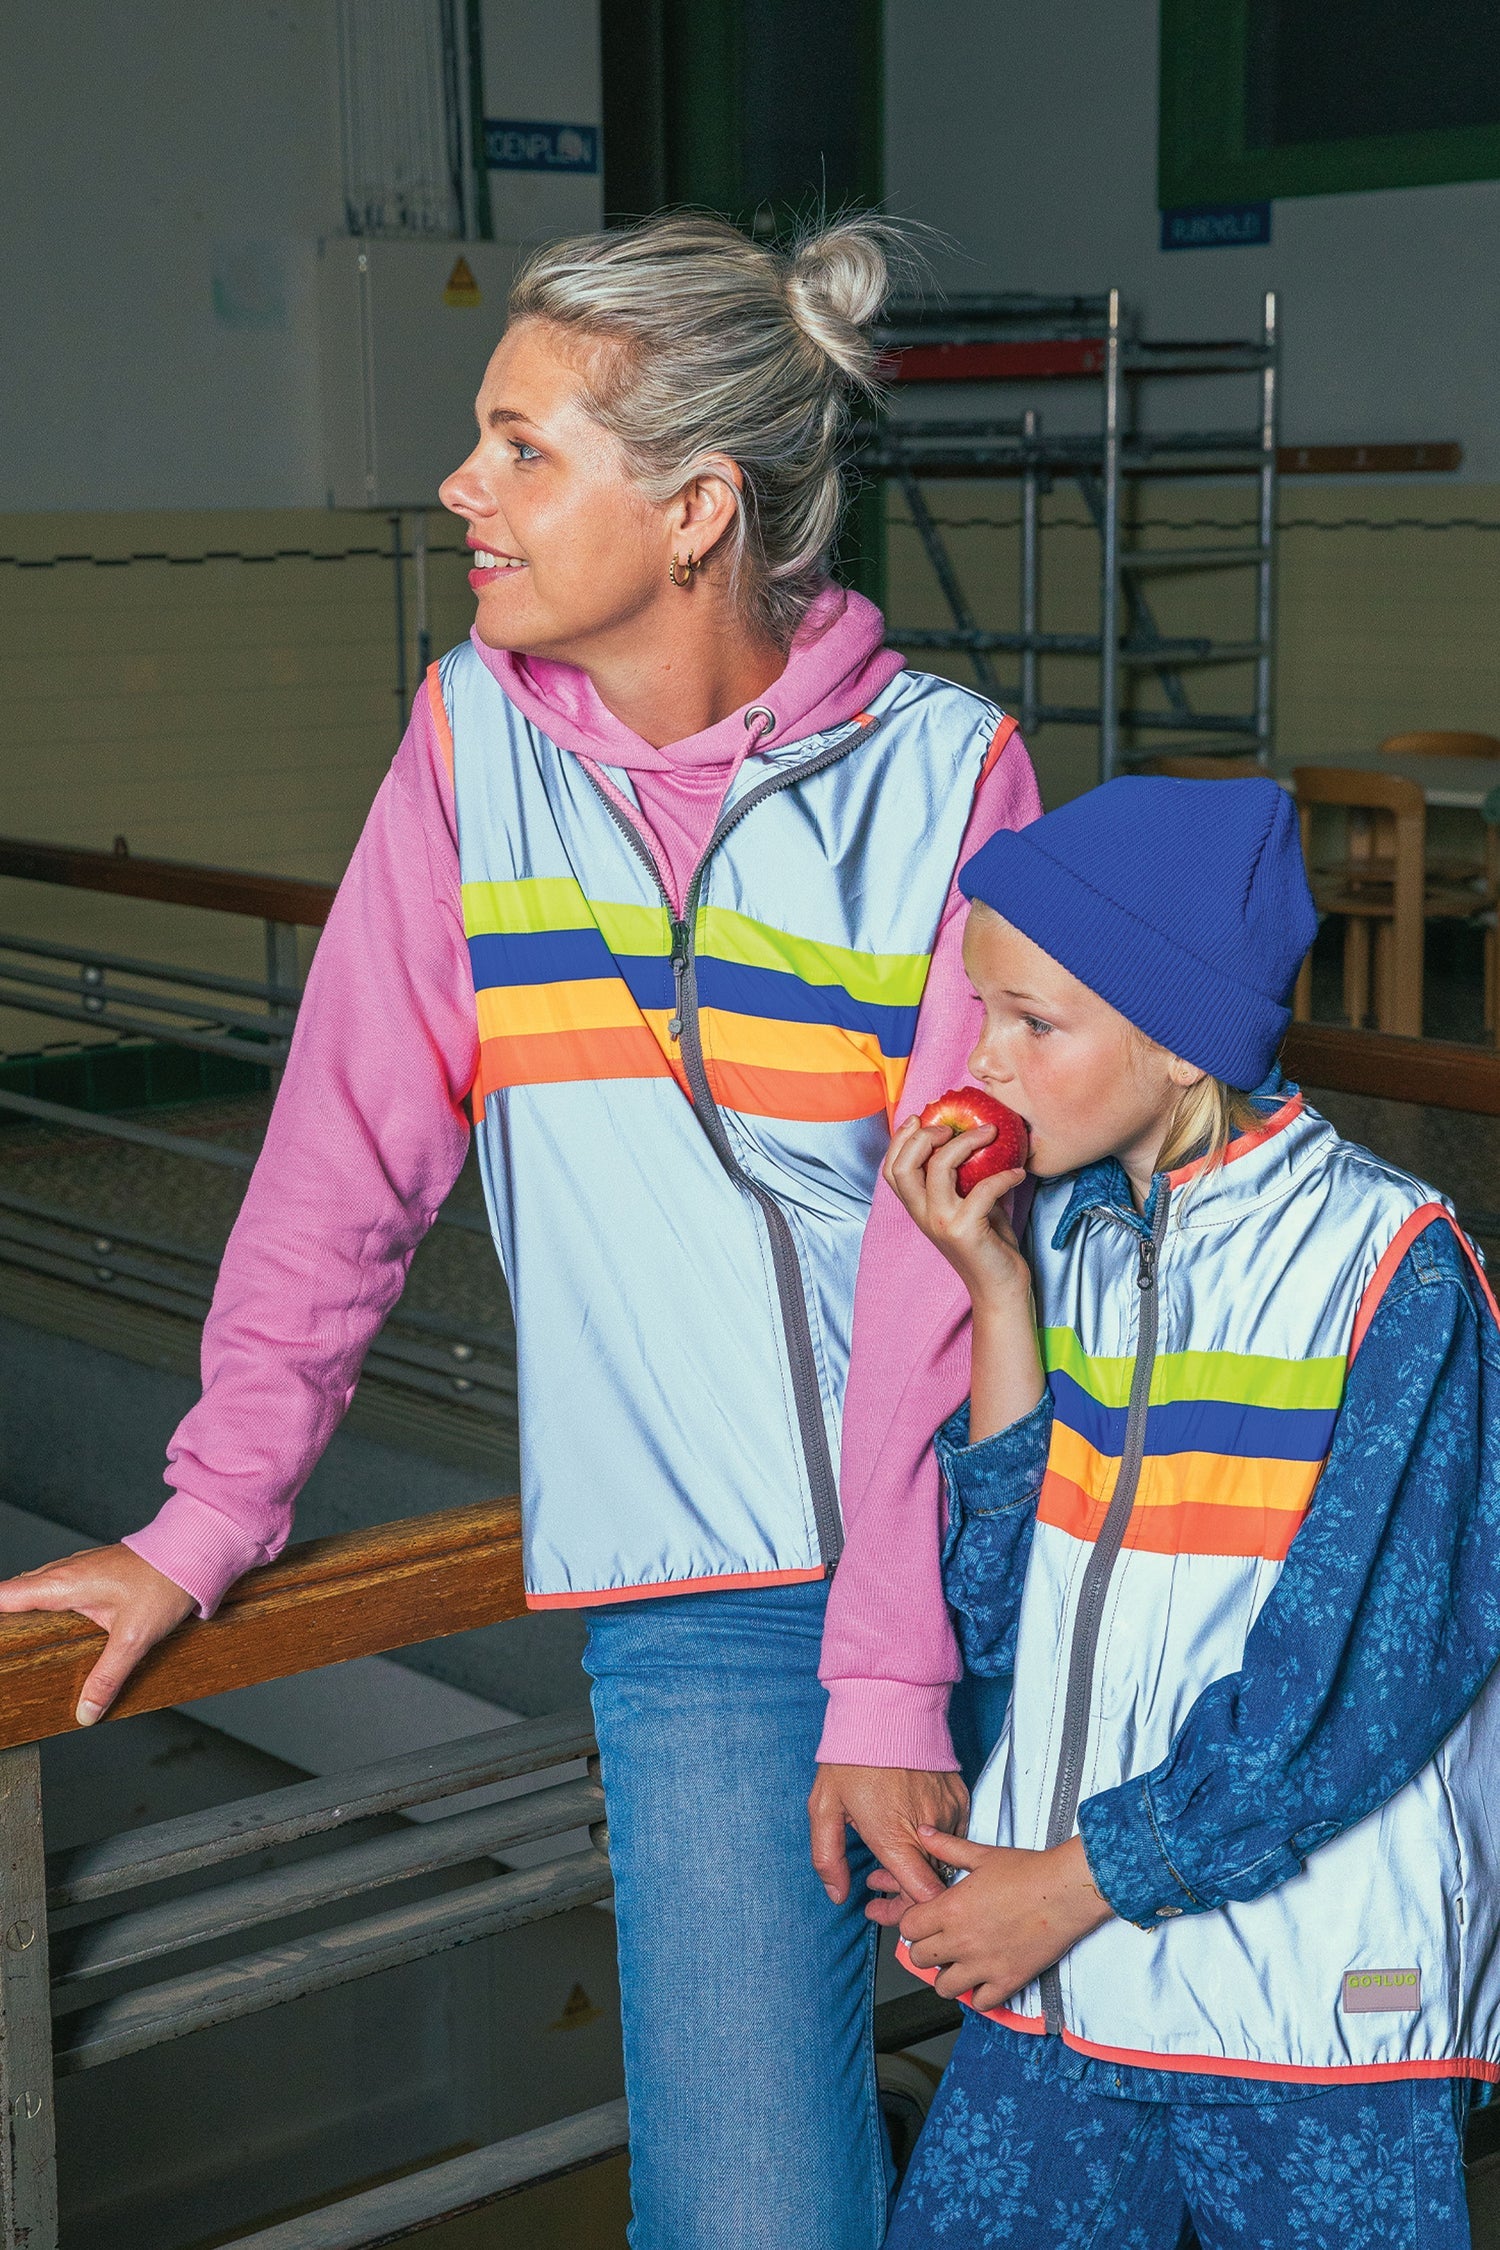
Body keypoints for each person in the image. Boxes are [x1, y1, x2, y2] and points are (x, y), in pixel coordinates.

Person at [0, 214, 1042, 2248]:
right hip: (725, 1609)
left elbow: (948, 1262)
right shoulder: (472, 754)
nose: (462, 490)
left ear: (693, 509)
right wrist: (212, 1512)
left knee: (1065, 2160)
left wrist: (907, 1671)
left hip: (1005, 1560)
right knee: (754, 2206)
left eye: (519, 448)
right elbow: (342, 1150)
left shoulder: (948, 781)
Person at [874, 775, 1500, 2248]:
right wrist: (999, 1294)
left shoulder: (1396, 1271)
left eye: (1036, 1022)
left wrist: (1076, 1885)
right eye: (981, 1013)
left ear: (1178, 1040)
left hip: (1312, 2028)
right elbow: (998, 1607)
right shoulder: (1079, 1239)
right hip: (1065, 1981)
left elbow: (1349, 1689)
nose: (986, 1061)